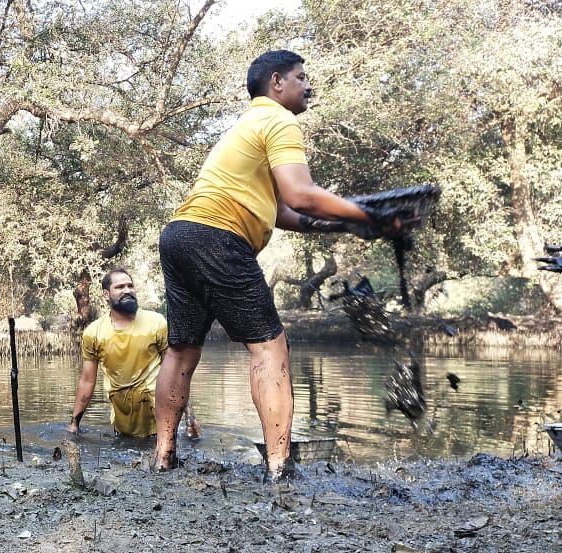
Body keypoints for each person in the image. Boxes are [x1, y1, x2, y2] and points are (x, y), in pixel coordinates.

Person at [153, 50, 404, 479]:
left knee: (181, 349)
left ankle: (162, 458)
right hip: (218, 235)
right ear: (276, 82)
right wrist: (368, 215)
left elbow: (284, 211)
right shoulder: (280, 121)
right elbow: (303, 194)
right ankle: (278, 466)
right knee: (270, 347)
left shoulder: (246, 126)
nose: (309, 87)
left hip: (180, 235)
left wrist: (339, 226)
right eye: (301, 77)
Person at [67, 268, 200, 439]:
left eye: (130, 286)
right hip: (122, 420)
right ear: (106, 294)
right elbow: (87, 381)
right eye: (120, 287)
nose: (127, 290)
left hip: (159, 418)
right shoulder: (93, 333)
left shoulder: (156, 323)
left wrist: (191, 415)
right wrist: (74, 423)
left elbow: (177, 373)